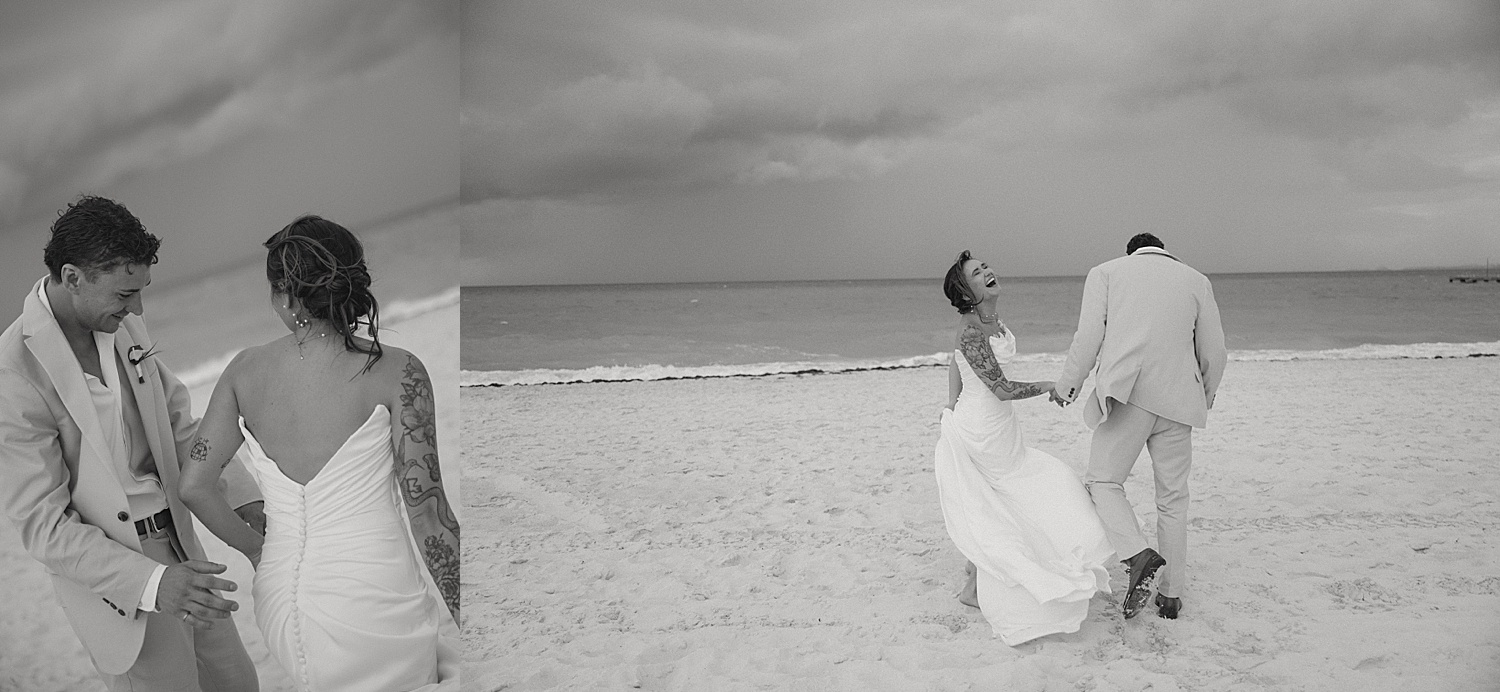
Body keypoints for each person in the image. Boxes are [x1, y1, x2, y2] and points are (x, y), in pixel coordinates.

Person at [178, 215, 460, 690]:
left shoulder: (243, 372)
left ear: (286, 296)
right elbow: (429, 516)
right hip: (374, 598)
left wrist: (256, 550)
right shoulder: (399, 371)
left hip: (280, 601)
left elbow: (194, 485)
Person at [0, 196, 261, 690]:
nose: (137, 309)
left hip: (184, 545)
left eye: (140, 293)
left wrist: (243, 496)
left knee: (238, 682)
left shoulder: (121, 325)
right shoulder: (12, 372)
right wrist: (154, 583)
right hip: (118, 584)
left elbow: (178, 424)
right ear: (73, 277)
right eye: (125, 294)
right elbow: (43, 526)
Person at [933, 250, 1115, 646]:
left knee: (997, 502)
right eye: (977, 273)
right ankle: (981, 587)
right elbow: (999, 389)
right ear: (966, 291)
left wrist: (950, 397)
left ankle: (974, 581)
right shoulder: (970, 330)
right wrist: (1047, 386)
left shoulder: (990, 320)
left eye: (985, 267)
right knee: (1030, 490)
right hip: (982, 430)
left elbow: (956, 363)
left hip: (1000, 428)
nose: (987, 272)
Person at [1053, 233, 1226, 620]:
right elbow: (1215, 351)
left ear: (1131, 252)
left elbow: (1089, 338)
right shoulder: (1196, 280)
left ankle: (1137, 554)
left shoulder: (1107, 273)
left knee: (1103, 482)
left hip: (1128, 395)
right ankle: (1171, 594)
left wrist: (1069, 385)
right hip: (1180, 402)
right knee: (1173, 498)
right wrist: (1204, 396)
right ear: (1163, 249)